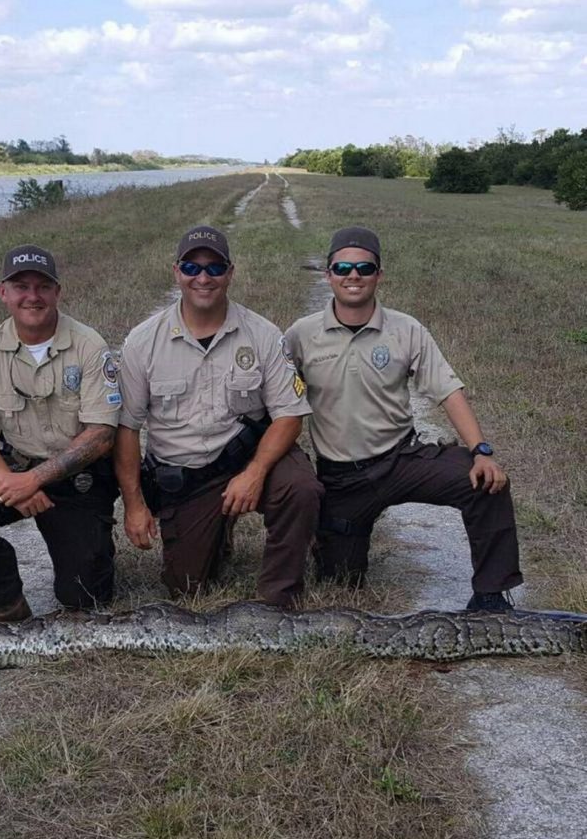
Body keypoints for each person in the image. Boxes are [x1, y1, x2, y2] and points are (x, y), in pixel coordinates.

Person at [284, 226, 523, 613]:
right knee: (340, 579)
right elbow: (278, 399)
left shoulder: (406, 328)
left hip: (401, 460)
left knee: (486, 483)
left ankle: (492, 594)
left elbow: (448, 390)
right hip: (342, 478)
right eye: (342, 267)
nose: (353, 276)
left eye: (365, 268)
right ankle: (331, 540)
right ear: (328, 275)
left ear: (379, 274)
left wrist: (481, 451)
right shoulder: (301, 334)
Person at [113, 225, 323, 609]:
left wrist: (254, 473)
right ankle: (215, 531)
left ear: (230, 272)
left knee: (300, 487)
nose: (204, 278)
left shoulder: (262, 334)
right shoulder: (142, 342)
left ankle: (279, 598)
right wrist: (134, 505)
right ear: (176, 272)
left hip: (249, 457)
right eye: (192, 268)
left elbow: (290, 416)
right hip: (188, 474)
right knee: (186, 589)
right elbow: (126, 428)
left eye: (215, 267)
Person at [0, 244, 121, 627]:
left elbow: (102, 435)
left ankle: (91, 554)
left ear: (58, 292)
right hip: (16, 468)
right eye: (21, 286)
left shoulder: (89, 346)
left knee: (84, 598)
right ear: (2, 292)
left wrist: (35, 480)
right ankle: (4, 603)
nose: (32, 296)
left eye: (42, 286)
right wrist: (9, 481)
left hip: (76, 479)